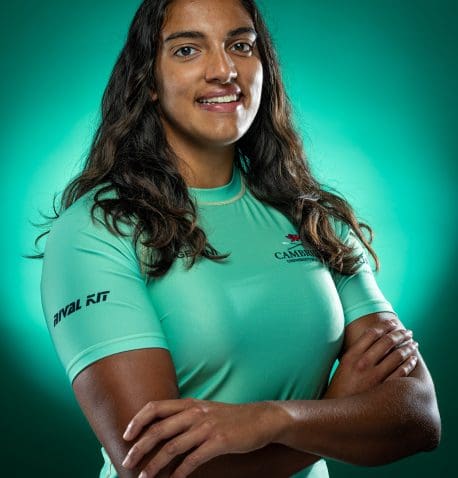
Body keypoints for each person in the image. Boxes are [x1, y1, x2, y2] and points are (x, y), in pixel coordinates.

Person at [33, 0, 441, 477]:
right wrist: (337, 410)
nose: (224, 70)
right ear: (148, 81)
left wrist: (273, 420)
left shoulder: (312, 218)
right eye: (187, 50)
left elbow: (417, 415)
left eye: (241, 46)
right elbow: (156, 467)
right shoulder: (97, 229)